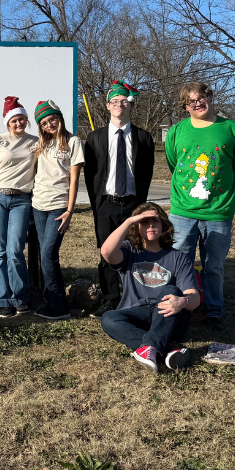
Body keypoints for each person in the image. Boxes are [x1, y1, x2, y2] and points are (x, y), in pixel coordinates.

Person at [164, 81, 235, 332]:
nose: (198, 103)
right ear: (185, 106)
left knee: (214, 266)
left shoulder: (230, 128)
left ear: (210, 97)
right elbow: (173, 163)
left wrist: (220, 194)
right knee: (179, 264)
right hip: (182, 212)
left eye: (202, 97)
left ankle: (213, 311)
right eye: (191, 101)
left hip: (219, 212)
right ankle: (178, 310)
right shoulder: (177, 131)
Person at [99, 202, 199, 373]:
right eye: (145, 222)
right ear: (137, 227)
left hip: (169, 317)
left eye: (155, 221)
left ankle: (150, 348)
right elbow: (106, 252)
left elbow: (194, 298)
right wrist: (130, 220)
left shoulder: (178, 258)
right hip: (137, 316)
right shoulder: (129, 251)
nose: (151, 225)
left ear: (163, 226)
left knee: (171, 291)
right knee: (108, 318)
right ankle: (167, 350)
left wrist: (183, 301)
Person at [83, 81, 155, 309]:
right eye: (114, 101)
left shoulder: (144, 137)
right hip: (106, 204)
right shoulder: (95, 138)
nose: (119, 105)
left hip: (133, 204)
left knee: (135, 251)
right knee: (107, 251)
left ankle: (135, 298)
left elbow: (147, 172)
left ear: (130, 105)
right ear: (107, 106)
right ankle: (111, 299)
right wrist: (97, 204)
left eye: (124, 101)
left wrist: (141, 205)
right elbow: (91, 175)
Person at [0, 96, 38, 319]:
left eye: (22, 120)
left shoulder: (35, 142)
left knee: (15, 251)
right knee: (0, 251)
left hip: (22, 200)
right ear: (8, 122)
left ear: (26, 121)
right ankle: (3, 300)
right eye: (14, 120)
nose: (18, 124)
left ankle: (20, 298)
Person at [31, 100, 84, 321]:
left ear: (59, 118)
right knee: (45, 256)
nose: (49, 125)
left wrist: (70, 211)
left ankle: (59, 305)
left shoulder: (73, 142)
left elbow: (74, 180)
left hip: (58, 207)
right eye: (44, 123)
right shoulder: (41, 144)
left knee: (48, 253)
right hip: (38, 205)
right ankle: (50, 299)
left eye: (51, 119)